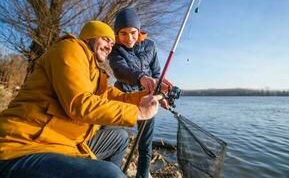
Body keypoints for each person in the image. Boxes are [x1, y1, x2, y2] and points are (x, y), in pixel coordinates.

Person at [0, 20, 170, 178]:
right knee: (110, 174)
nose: (110, 47)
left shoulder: (94, 73)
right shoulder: (69, 49)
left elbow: (118, 97)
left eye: (112, 43)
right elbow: (79, 104)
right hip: (22, 147)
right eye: (105, 40)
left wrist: (150, 94)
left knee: (120, 137)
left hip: (62, 145)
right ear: (90, 36)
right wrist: (138, 112)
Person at [109, 8, 169, 178]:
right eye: (123, 33)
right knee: (120, 138)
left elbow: (157, 73)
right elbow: (120, 70)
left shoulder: (150, 45)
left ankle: (142, 175)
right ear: (117, 33)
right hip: (124, 98)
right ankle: (112, 173)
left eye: (133, 33)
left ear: (139, 30)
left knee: (146, 144)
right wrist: (141, 77)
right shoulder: (114, 49)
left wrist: (161, 95)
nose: (129, 38)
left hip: (147, 98)